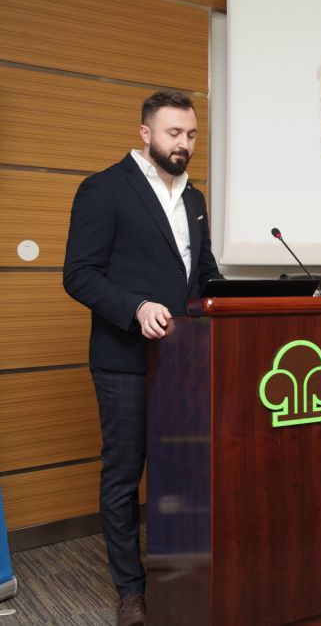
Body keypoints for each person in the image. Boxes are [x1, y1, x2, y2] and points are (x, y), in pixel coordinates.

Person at [63, 91, 223, 626]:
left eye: (191, 134)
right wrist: (135, 307)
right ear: (145, 132)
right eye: (174, 133)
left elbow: (203, 273)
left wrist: (239, 299)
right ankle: (130, 591)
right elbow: (79, 274)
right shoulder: (104, 189)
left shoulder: (194, 198)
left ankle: (181, 576)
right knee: (124, 476)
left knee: (182, 473)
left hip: (185, 363)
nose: (184, 144)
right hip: (125, 360)